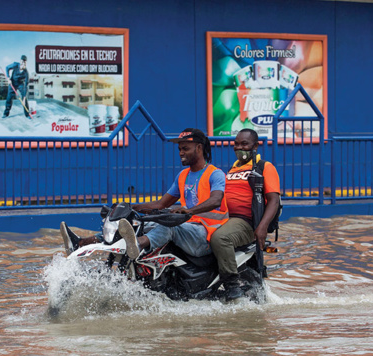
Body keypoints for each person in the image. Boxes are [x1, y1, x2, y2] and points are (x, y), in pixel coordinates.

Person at [60, 128, 228, 259]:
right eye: (179, 149)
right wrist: (129, 207)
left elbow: (215, 200)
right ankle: (82, 243)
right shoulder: (182, 176)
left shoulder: (215, 174)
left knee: (168, 228)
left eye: (185, 148)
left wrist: (189, 211)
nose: (181, 153)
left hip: (206, 235)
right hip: (188, 228)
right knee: (139, 225)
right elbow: (160, 204)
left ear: (199, 148)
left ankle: (138, 245)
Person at [210, 128, 280, 300]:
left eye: (244, 144)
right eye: (236, 144)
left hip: (246, 222)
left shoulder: (265, 167)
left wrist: (262, 227)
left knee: (220, 238)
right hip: (226, 219)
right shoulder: (232, 170)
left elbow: (274, 200)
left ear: (255, 146)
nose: (239, 148)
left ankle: (231, 284)